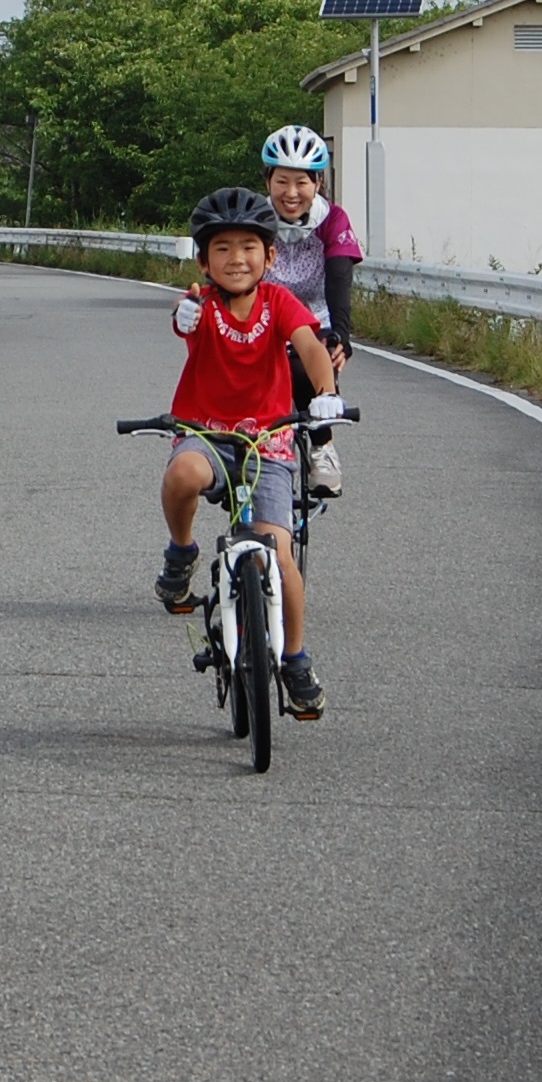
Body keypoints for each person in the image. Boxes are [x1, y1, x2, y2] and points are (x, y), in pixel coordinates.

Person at [156, 186, 344, 712]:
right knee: (182, 475)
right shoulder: (201, 306)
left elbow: (310, 347)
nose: (235, 259)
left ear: (270, 256)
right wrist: (183, 314)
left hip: (270, 440)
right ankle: (181, 552)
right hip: (208, 433)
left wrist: (326, 394)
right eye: (222, 248)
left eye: (248, 247)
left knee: (281, 556)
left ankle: (296, 658)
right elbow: (182, 317)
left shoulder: (279, 302)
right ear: (203, 259)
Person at [259, 124, 362, 500]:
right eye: (282, 181)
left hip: (315, 317)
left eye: (301, 182)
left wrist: (342, 338)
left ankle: (322, 448)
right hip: (264, 316)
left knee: (309, 368)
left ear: (317, 183)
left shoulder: (332, 220)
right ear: (267, 179)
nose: (291, 193)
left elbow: (339, 276)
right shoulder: (256, 217)